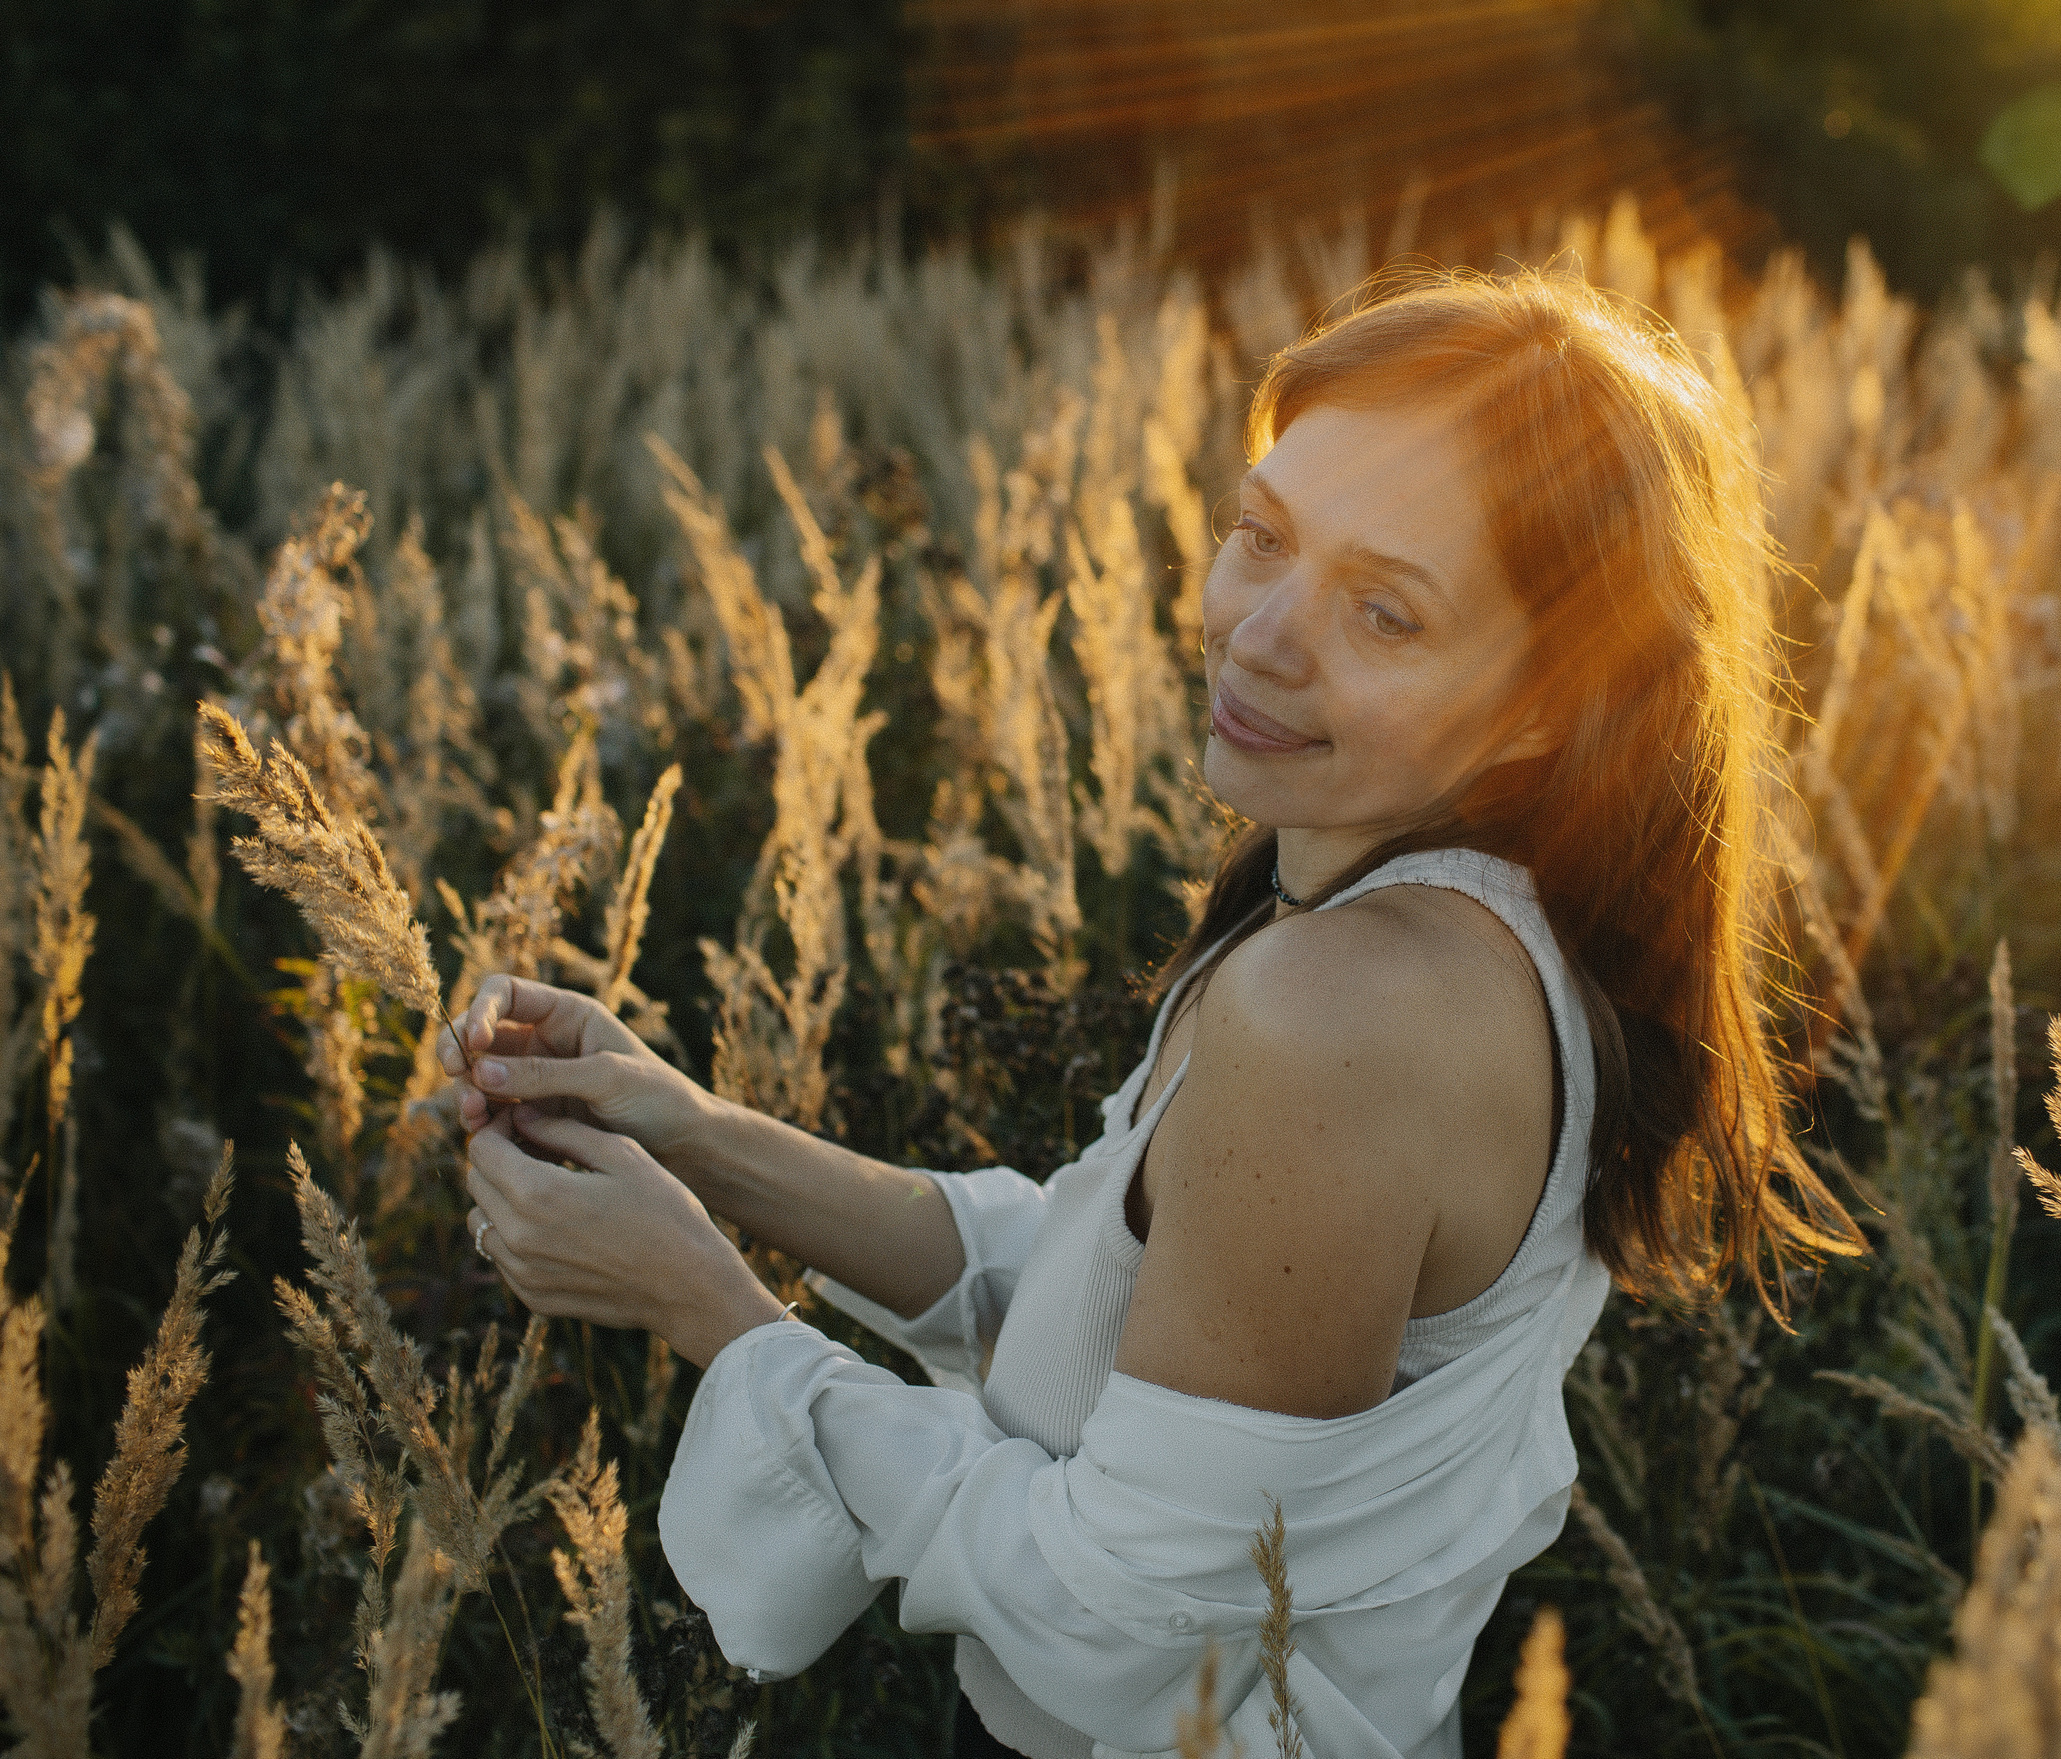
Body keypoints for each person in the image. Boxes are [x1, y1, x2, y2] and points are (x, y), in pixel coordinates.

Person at [441, 267, 1860, 1759]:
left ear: (1546, 706)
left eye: (1386, 610)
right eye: (1263, 535)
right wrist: (696, 1133)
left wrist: (700, 1305)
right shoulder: (1466, 918)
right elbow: (1087, 1285)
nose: (1258, 634)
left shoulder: (1341, 1015)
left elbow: (1117, 1637)